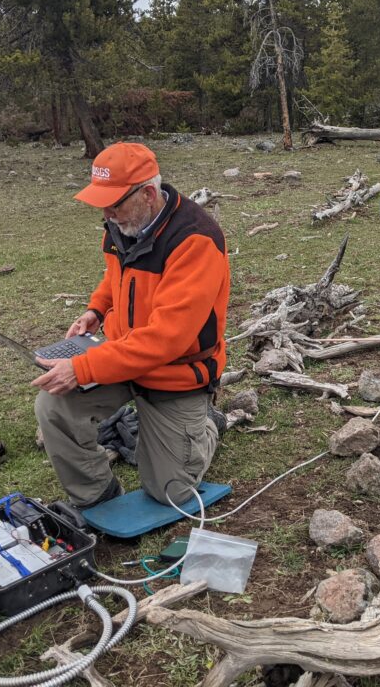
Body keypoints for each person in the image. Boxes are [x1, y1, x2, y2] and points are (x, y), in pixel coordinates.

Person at [34, 142, 230, 509]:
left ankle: (207, 426)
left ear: (148, 194)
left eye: (114, 203)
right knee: (53, 407)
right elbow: (117, 276)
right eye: (102, 203)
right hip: (124, 361)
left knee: (170, 493)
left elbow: (165, 341)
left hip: (176, 373)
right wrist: (96, 309)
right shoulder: (123, 222)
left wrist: (81, 368)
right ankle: (97, 493)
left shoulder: (195, 241)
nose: (106, 213)